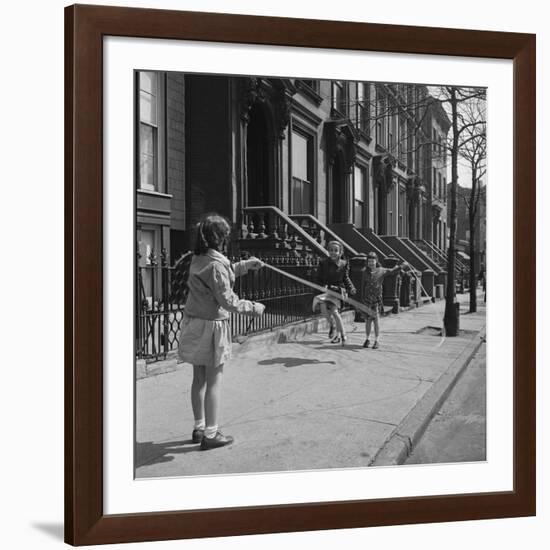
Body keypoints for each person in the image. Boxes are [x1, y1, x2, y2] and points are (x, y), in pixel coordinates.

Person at [178, 213, 265, 450]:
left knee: (198, 379)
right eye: (226, 235)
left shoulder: (199, 258)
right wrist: (253, 307)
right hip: (211, 327)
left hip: (194, 323)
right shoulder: (216, 265)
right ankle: (211, 434)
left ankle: (199, 428)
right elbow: (227, 299)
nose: (228, 239)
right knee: (214, 380)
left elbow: (218, 278)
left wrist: (245, 266)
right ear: (220, 238)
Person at [312, 241, 356, 346]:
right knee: (323, 310)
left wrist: (351, 287)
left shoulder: (344, 264)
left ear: (340, 252)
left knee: (335, 312)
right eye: (331, 250)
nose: (333, 252)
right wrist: (321, 286)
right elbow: (318, 278)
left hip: (337, 291)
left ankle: (343, 336)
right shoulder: (323, 263)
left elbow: (346, 278)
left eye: (336, 250)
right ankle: (332, 325)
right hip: (326, 290)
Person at [362, 252, 408, 350]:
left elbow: (392, 271)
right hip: (367, 299)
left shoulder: (381, 270)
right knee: (368, 321)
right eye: (369, 261)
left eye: (372, 261)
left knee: (376, 320)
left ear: (376, 261)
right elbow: (363, 286)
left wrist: (402, 266)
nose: (371, 263)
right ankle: (367, 339)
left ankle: (376, 340)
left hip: (377, 299)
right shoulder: (365, 272)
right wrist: (363, 299)